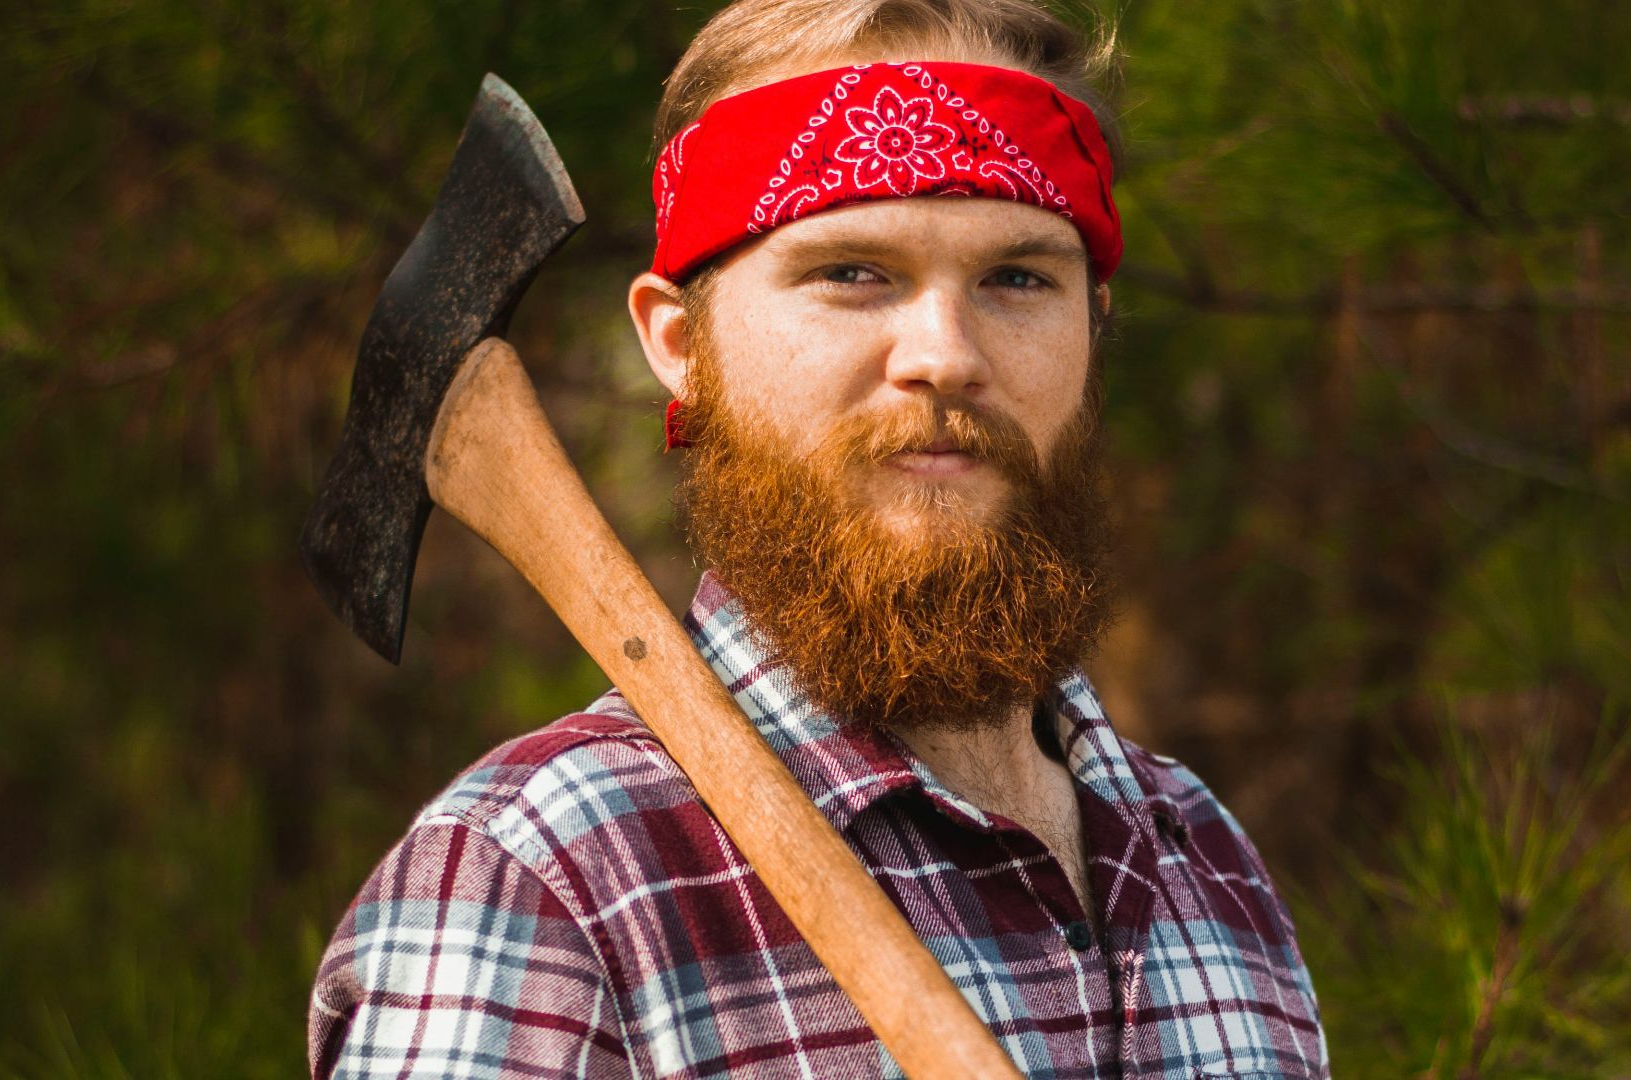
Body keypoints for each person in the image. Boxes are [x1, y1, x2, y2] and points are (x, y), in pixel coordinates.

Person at [308, 1, 1328, 1076]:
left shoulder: (1205, 858)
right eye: (852, 272)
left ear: (1094, 324)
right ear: (679, 342)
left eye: (1018, 277)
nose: (944, 355)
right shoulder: (539, 885)